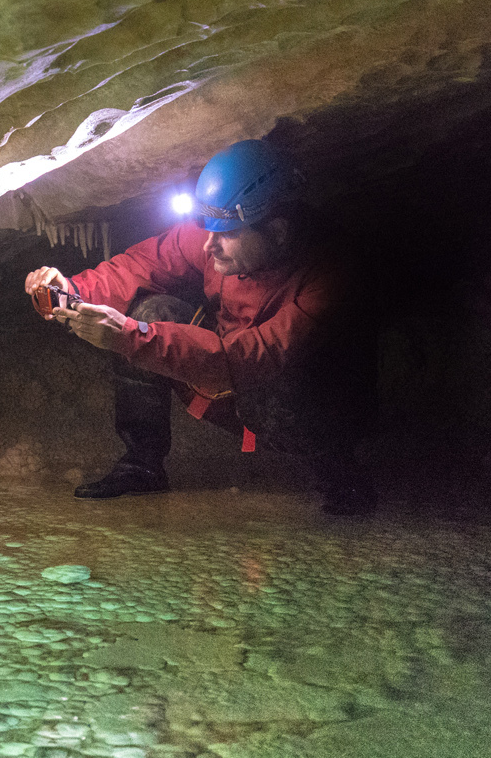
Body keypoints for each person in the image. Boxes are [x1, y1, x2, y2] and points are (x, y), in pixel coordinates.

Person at [24, 139, 377, 515]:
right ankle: (142, 465)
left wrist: (133, 337)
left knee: (271, 382)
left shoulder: (330, 272)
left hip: (304, 397)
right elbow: (142, 264)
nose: (209, 245)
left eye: (225, 234)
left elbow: (254, 358)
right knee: (150, 310)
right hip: (228, 375)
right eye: (207, 229)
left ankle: (339, 475)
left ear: (277, 232)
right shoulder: (222, 229)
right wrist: (73, 289)